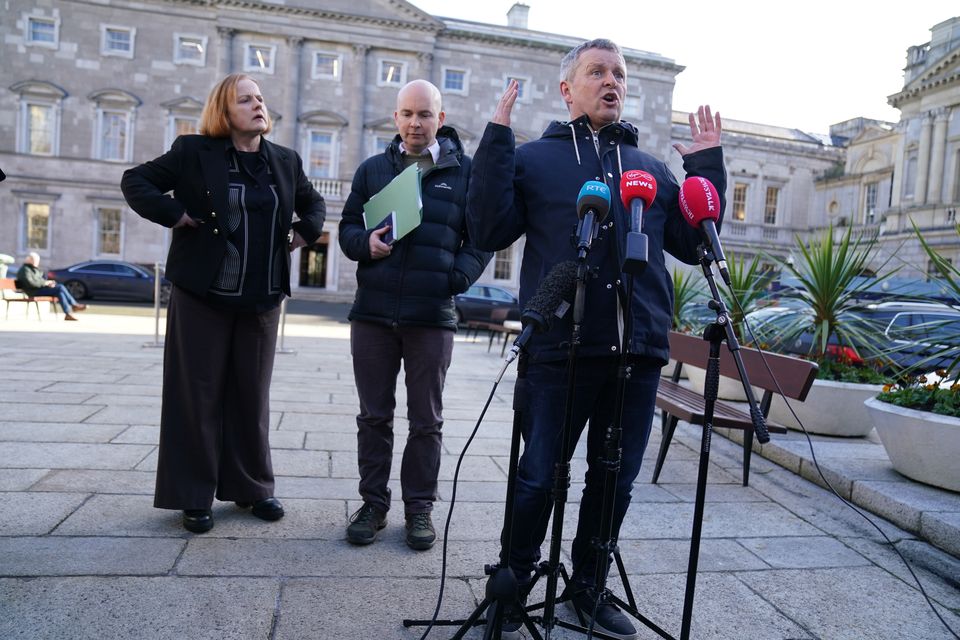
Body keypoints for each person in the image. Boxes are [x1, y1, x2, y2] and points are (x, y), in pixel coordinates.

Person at [466, 39, 725, 639]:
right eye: (597, 72)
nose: (612, 82)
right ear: (568, 88)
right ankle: (512, 580)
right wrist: (497, 141)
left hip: (636, 351)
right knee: (538, 475)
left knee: (615, 477)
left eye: (619, 74)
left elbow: (694, 247)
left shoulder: (650, 168)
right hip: (559, 348)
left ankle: (587, 586)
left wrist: (707, 166)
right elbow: (486, 226)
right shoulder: (534, 159)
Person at [120, 73, 326, 534]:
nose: (258, 105)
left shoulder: (285, 161)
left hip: (262, 300)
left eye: (260, 98)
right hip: (202, 297)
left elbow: (314, 207)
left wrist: (302, 233)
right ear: (224, 110)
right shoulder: (194, 152)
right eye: (246, 99)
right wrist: (175, 214)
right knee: (197, 395)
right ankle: (193, 496)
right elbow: (136, 182)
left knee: (250, 398)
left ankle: (252, 489)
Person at [339, 79, 491, 551]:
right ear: (395, 117)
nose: (414, 123)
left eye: (424, 114)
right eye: (406, 114)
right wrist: (364, 243)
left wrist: (456, 277)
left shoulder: (465, 175)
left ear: (440, 120)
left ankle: (419, 508)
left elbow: (483, 239)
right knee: (373, 417)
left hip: (431, 316)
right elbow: (346, 228)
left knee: (426, 421)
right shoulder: (372, 170)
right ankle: (373, 504)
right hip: (373, 313)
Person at [15, 252, 87, 320]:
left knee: (59, 292)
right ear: (30, 260)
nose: (37, 262)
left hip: (38, 289)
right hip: (33, 291)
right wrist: (45, 283)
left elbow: (41, 280)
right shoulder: (25, 270)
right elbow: (31, 283)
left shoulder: (33, 269)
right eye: (35, 260)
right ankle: (74, 305)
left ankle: (68, 314)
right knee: (60, 287)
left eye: (37, 261)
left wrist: (48, 283)